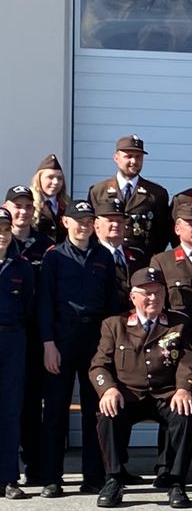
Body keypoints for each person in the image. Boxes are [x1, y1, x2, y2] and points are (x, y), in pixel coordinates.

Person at [90, 267, 192, 508]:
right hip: (129, 395)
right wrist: (108, 389)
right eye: (146, 293)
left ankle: (176, 482)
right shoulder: (114, 324)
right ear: (133, 296)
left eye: (158, 292)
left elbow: (188, 361)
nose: (153, 298)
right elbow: (99, 365)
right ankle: (114, 479)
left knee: (186, 414)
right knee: (108, 415)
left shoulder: (178, 323)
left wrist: (184, 388)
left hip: (166, 394)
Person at [35, 200, 117, 497]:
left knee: (94, 410)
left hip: (95, 338)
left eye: (88, 220)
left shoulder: (103, 257)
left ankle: (93, 476)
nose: (83, 225)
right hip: (62, 337)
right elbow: (44, 303)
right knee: (55, 409)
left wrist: (110, 345)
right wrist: (48, 344)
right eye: (77, 220)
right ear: (65, 223)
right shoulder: (54, 258)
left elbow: (111, 303)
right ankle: (52, 477)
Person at [4, 184, 54, 488]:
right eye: (16, 206)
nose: (22, 212)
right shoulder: (2, 241)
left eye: (27, 207)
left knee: (31, 402)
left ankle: (32, 465)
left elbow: (44, 296)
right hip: (9, 333)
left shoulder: (45, 246)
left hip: (32, 336)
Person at [87, 135, 172, 256]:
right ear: (116, 158)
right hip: (104, 258)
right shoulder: (98, 191)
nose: (134, 161)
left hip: (142, 261)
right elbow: (91, 228)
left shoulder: (156, 193)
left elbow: (162, 234)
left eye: (138, 157)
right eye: (128, 156)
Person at [0, 209, 35, 500]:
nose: (1, 233)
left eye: (5, 228)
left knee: (10, 410)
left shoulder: (21, 266)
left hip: (12, 337)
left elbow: (28, 304)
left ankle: (9, 477)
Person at [94, 198, 147, 308]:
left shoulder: (138, 255)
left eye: (120, 221)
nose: (116, 224)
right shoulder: (91, 255)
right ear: (97, 225)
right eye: (110, 220)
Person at [30, 154, 70, 243]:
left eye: (59, 178)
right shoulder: (29, 203)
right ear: (39, 179)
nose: (55, 182)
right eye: (50, 177)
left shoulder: (67, 204)